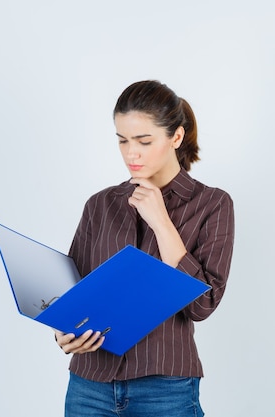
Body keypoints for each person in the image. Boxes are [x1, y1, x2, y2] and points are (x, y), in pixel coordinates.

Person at [54, 80, 235, 417]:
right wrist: (63, 332)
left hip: (164, 387)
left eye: (143, 141)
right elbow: (72, 294)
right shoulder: (100, 204)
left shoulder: (212, 204)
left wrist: (161, 222)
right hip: (88, 386)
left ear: (176, 138)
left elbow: (203, 305)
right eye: (122, 140)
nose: (130, 153)